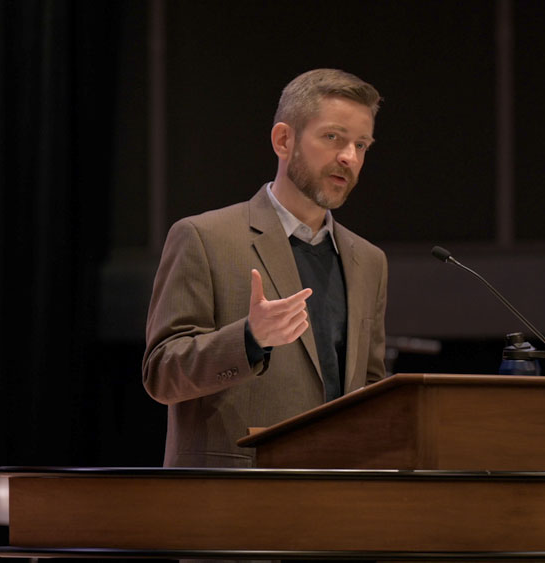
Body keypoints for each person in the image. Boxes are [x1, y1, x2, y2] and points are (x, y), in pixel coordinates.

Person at [142, 69, 388, 468]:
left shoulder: (369, 260)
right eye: (333, 138)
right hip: (230, 502)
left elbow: (371, 389)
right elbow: (162, 374)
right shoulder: (204, 237)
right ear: (283, 140)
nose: (350, 156)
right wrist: (249, 338)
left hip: (336, 503)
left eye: (362, 145)